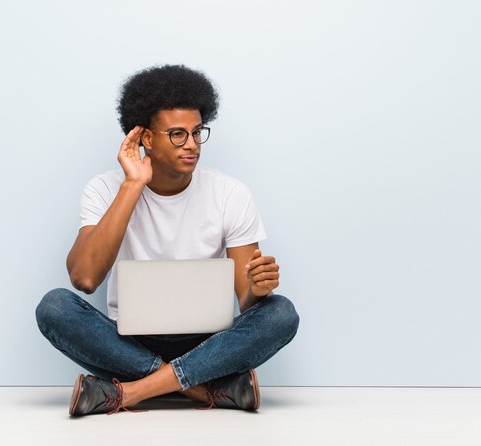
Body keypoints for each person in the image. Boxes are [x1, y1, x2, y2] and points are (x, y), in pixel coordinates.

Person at [35, 64, 300, 417]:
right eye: (177, 134)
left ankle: (130, 393)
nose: (192, 145)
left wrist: (257, 287)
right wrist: (133, 185)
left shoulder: (230, 193)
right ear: (146, 138)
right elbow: (84, 279)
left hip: (208, 343)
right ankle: (204, 389)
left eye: (197, 132)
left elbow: (248, 303)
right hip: (128, 342)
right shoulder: (104, 189)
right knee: (54, 307)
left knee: (281, 313)